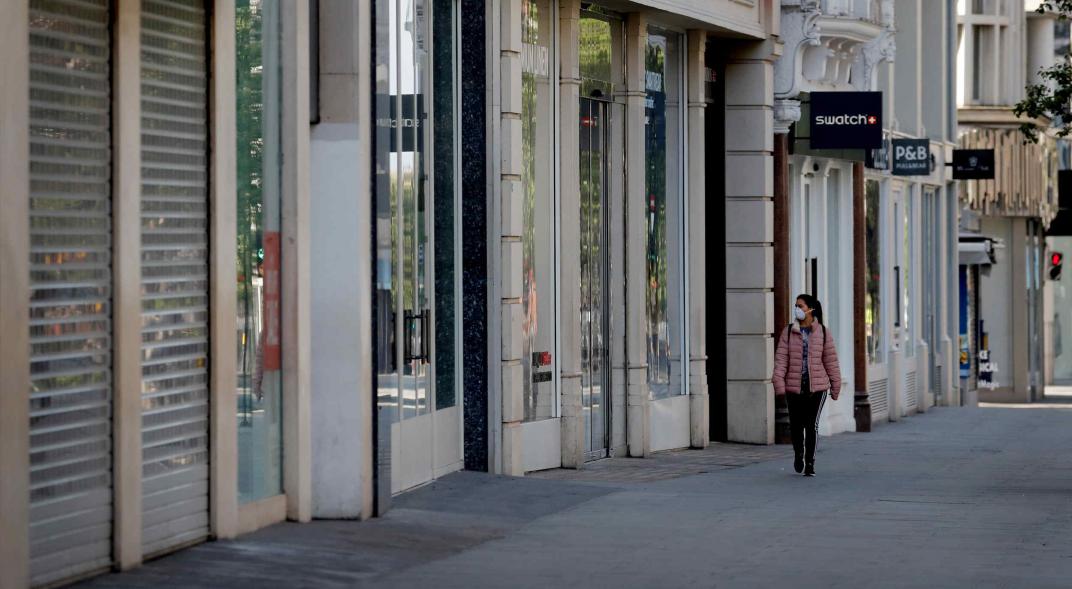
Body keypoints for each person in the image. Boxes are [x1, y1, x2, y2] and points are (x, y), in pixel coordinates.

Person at [772, 294, 842, 476]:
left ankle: (810, 462)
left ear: (810, 309)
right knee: (796, 425)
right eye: (795, 305)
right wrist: (779, 384)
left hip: (817, 388)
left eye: (800, 306)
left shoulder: (823, 333)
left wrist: (835, 387)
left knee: (811, 425)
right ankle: (798, 454)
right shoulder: (788, 332)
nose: (797, 309)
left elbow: (831, 362)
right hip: (794, 388)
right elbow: (781, 360)